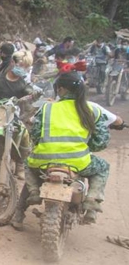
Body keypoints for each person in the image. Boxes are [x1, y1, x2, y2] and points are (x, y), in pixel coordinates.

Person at [13, 72, 110, 228]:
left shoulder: (47, 108)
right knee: (103, 167)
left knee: (30, 164)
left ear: (61, 90)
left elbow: (36, 135)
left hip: (44, 159)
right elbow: (101, 142)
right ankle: (92, 200)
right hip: (79, 162)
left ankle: (27, 202)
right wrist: (85, 146)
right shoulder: (92, 110)